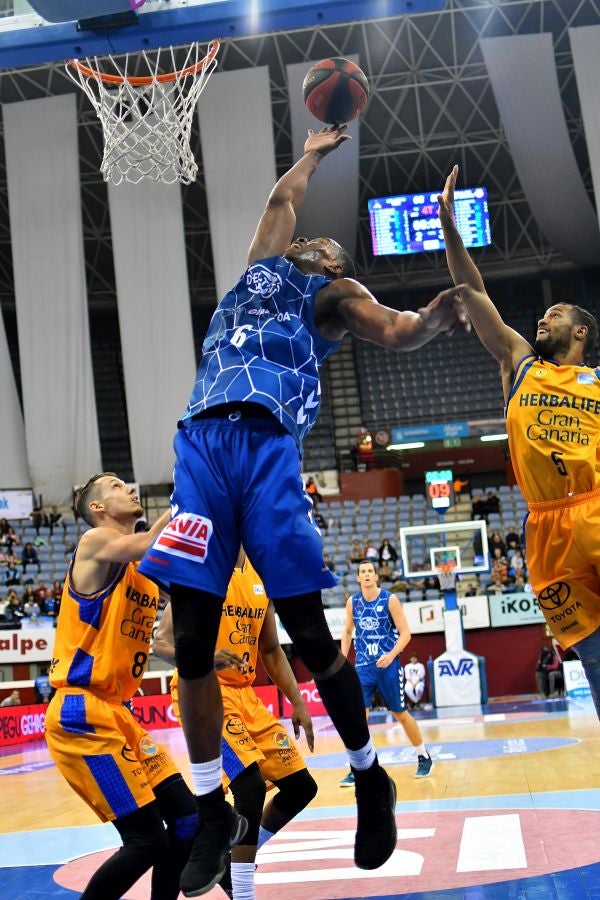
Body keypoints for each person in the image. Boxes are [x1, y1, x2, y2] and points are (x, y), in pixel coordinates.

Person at [138, 124, 467, 894]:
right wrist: (314, 153)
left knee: (312, 635)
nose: (306, 239)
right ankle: (212, 812)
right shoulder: (260, 271)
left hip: (266, 448)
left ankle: (370, 778)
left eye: (320, 243)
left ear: (335, 266)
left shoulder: (334, 296)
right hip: (200, 445)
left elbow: (397, 329)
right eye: (303, 239)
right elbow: (281, 201)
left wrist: (432, 320)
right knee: (191, 640)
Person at [438, 164, 600, 716]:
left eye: (556, 315)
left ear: (581, 331)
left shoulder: (597, 381)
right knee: (593, 656)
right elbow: (472, 291)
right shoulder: (520, 363)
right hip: (547, 527)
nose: (543, 319)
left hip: (595, 506)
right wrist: (449, 228)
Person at [44, 473, 215, 900]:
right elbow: (149, 543)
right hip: (81, 713)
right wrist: (187, 495)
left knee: (188, 819)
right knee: (147, 841)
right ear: (98, 507)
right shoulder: (94, 543)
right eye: (117, 486)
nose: (130, 488)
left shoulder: (143, 570)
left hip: (118, 712)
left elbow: (187, 593)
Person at [154, 550, 318, 900]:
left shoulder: (261, 575)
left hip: (245, 695)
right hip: (204, 691)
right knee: (250, 788)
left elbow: (270, 650)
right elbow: (162, 643)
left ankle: (233, 858)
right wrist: (202, 658)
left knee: (301, 787)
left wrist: (298, 700)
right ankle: (243, 892)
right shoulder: (204, 565)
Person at [340, 560, 433, 784]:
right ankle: (358, 766)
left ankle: (423, 756)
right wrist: (342, 660)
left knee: (400, 714)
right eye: (363, 572)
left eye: (370, 571)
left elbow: (405, 633)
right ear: (358, 578)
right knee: (359, 719)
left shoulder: (390, 599)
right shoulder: (353, 602)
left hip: (388, 666)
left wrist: (391, 655)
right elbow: (347, 632)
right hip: (363, 667)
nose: (367, 574)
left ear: (376, 576)